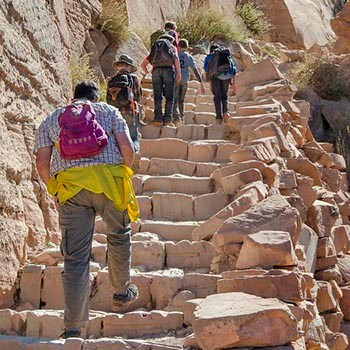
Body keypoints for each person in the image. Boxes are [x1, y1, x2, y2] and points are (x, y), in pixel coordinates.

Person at [35, 80, 139, 339]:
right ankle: (121, 292)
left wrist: (55, 189)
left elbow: (41, 162)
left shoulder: (52, 118)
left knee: (75, 258)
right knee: (118, 235)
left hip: (71, 189)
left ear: (73, 99)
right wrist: (123, 173)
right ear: (96, 97)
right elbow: (128, 148)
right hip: (110, 183)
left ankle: (72, 328)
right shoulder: (109, 111)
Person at [107, 54, 143, 170]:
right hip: (130, 112)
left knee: (118, 137)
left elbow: (108, 99)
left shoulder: (112, 80)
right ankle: (134, 158)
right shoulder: (133, 78)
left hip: (115, 114)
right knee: (133, 137)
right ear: (129, 66)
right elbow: (138, 96)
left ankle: (119, 162)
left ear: (118, 66)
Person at [141, 34, 181, 127]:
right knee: (170, 97)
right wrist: (178, 72)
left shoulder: (155, 48)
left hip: (155, 71)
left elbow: (143, 65)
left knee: (157, 97)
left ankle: (158, 119)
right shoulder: (172, 46)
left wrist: (148, 73)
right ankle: (167, 119)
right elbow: (175, 58)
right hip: (168, 71)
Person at [172, 38, 206, 126]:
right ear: (187, 47)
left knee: (174, 99)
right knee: (181, 99)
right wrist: (201, 82)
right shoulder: (189, 57)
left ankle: (176, 117)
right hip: (185, 79)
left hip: (176, 78)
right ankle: (182, 117)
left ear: (178, 47)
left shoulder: (175, 55)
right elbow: (195, 70)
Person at [204, 44, 237, 125]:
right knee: (224, 96)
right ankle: (226, 112)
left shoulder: (209, 57)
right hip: (227, 77)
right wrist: (233, 83)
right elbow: (233, 68)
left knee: (217, 97)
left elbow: (207, 71)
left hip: (215, 78)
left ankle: (218, 118)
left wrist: (210, 83)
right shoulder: (225, 55)